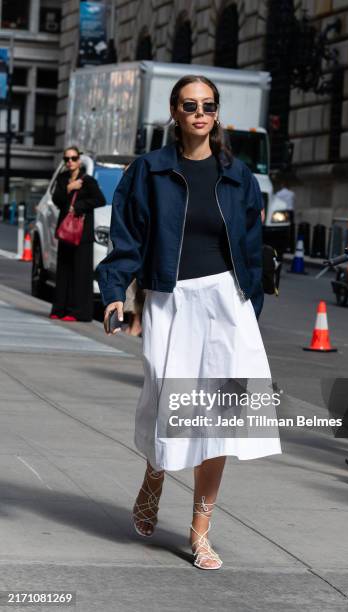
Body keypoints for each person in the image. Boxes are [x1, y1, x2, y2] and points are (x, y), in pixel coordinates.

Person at [96, 75, 282, 570]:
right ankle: (155, 473)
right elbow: (127, 239)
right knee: (168, 400)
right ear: (175, 113)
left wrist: (250, 308)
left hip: (226, 300)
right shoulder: (150, 171)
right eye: (189, 105)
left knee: (220, 415)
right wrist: (115, 294)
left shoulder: (238, 176)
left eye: (208, 105)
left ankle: (201, 532)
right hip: (170, 300)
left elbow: (249, 246)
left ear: (216, 114)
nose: (199, 113)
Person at [50, 146, 106, 322]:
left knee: (80, 273)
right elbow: (56, 199)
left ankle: (77, 312)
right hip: (66, 231)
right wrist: (69, 189)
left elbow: (100, 200)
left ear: (79, 160)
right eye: (66, 159)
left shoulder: (87, 181)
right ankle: (59, 309)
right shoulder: (62, 179)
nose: (70, 162)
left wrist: (80, 206)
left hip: (82, 235)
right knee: (63, 271)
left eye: (73, 158)